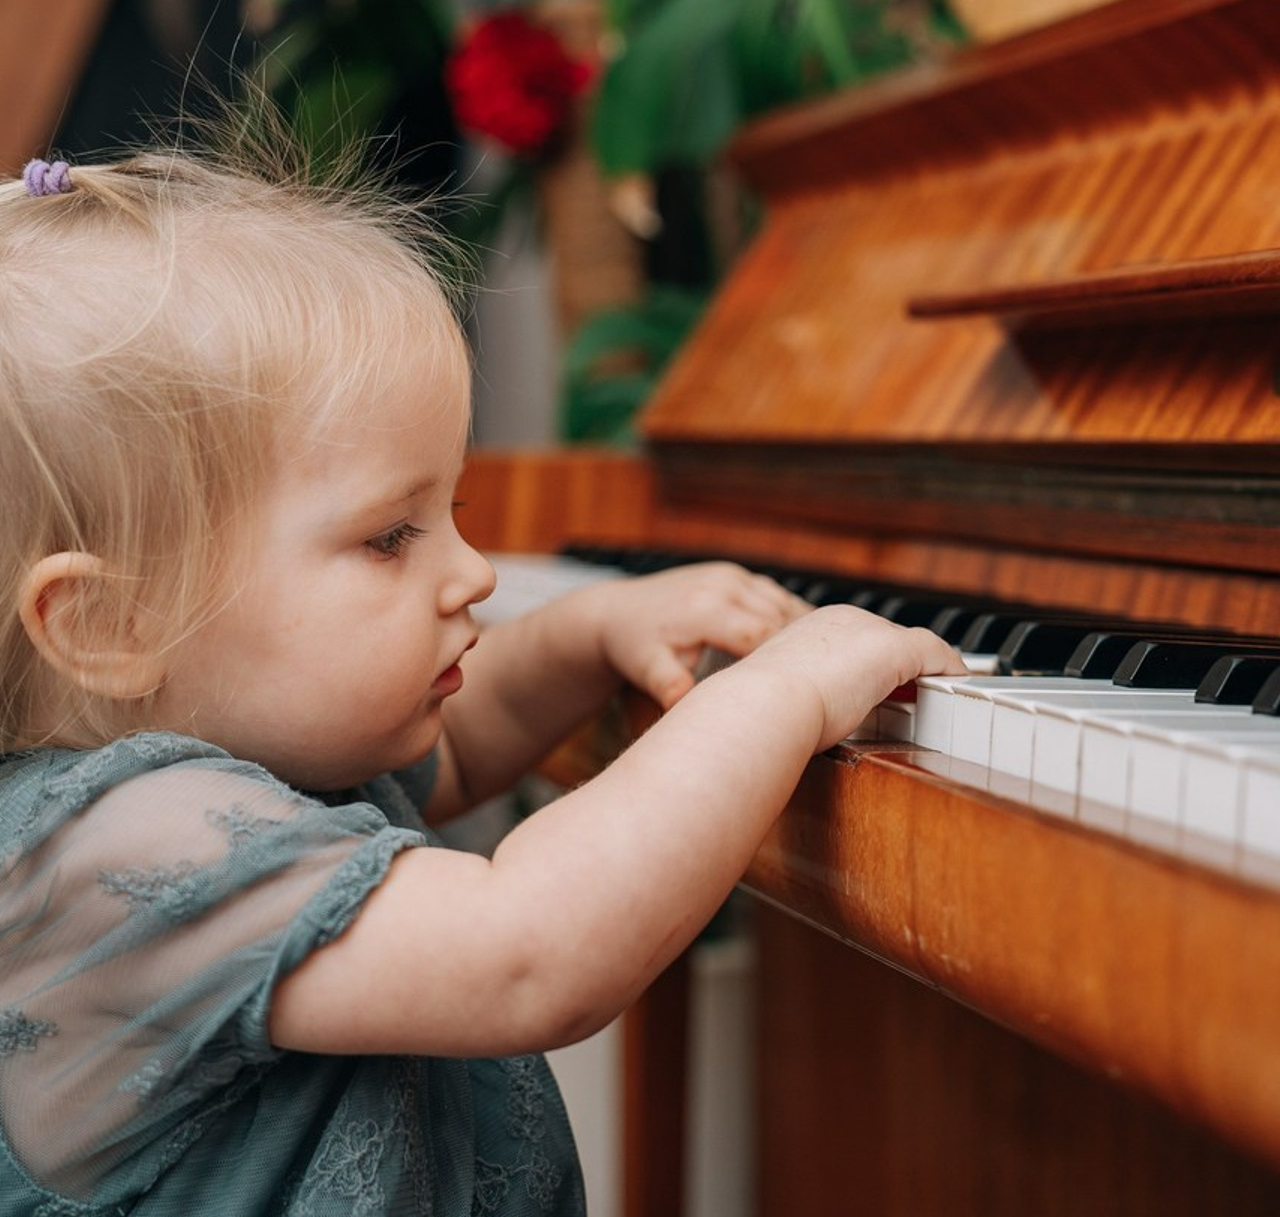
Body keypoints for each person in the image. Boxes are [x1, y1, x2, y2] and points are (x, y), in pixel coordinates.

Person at [0, 143, 963, 1216]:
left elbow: (452, 748)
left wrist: (589, 627)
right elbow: (528, 949)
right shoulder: (112, 858)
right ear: (111, 620)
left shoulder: (264, 759)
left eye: (451, 509)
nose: (473, 572)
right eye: (389, 535)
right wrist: (779, 693)